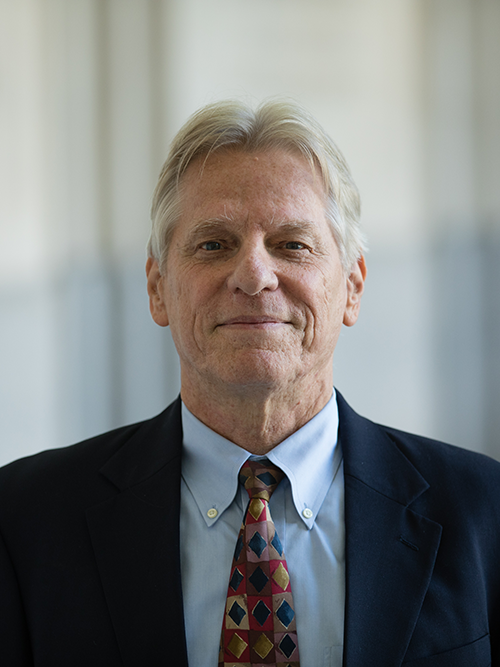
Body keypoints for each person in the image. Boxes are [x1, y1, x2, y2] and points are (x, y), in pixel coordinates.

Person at [0, 100, 499, 667]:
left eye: (292, 244)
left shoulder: (485, 512)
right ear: (158, 287)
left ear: (353, 287)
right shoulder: (24, 524)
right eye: (214, 244)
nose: (254, 275)